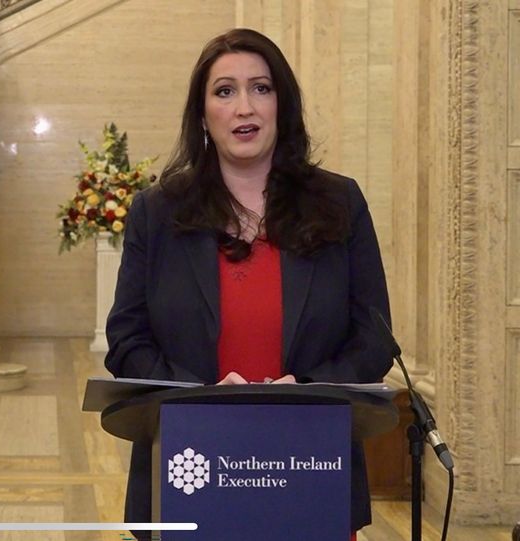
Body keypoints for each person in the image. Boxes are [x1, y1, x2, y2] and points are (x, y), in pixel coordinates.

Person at [104, 28, 393, 539]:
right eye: (225, 91)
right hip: (191, 460)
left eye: (261, 88)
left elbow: (373, 338)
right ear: (202, 114)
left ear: (283, 104)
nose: (245, 107)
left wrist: (306, 391)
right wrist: (203, 396)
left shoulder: (340, 203)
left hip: (310, 459)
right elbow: (127, 341)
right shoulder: (158, 212)